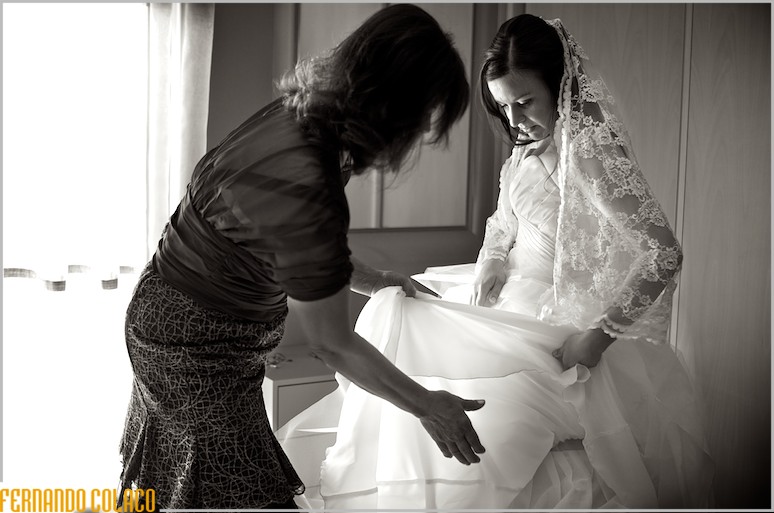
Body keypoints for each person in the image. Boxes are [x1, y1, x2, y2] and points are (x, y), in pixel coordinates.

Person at [277, 14, 714, 509]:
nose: (514, 120)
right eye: (503, 106)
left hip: (556, 318)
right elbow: (503, 224)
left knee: (492, 423)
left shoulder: (591, 154)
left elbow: (663, 252)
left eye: (524, 102)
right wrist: (492, 259)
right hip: (503, 302)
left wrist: (597, 337)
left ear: (560, 85)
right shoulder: (524, 152)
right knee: (399, 306)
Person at [117, 4, 487, 510]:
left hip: (174, 322)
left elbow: (286, 245)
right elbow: (332, 343)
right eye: (425, 115)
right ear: (395, 107)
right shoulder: (308, 178)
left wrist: (375, 279)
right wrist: (427, 405)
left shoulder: (302, 116)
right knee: (235, 494)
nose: (423, 132)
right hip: (193, 348)